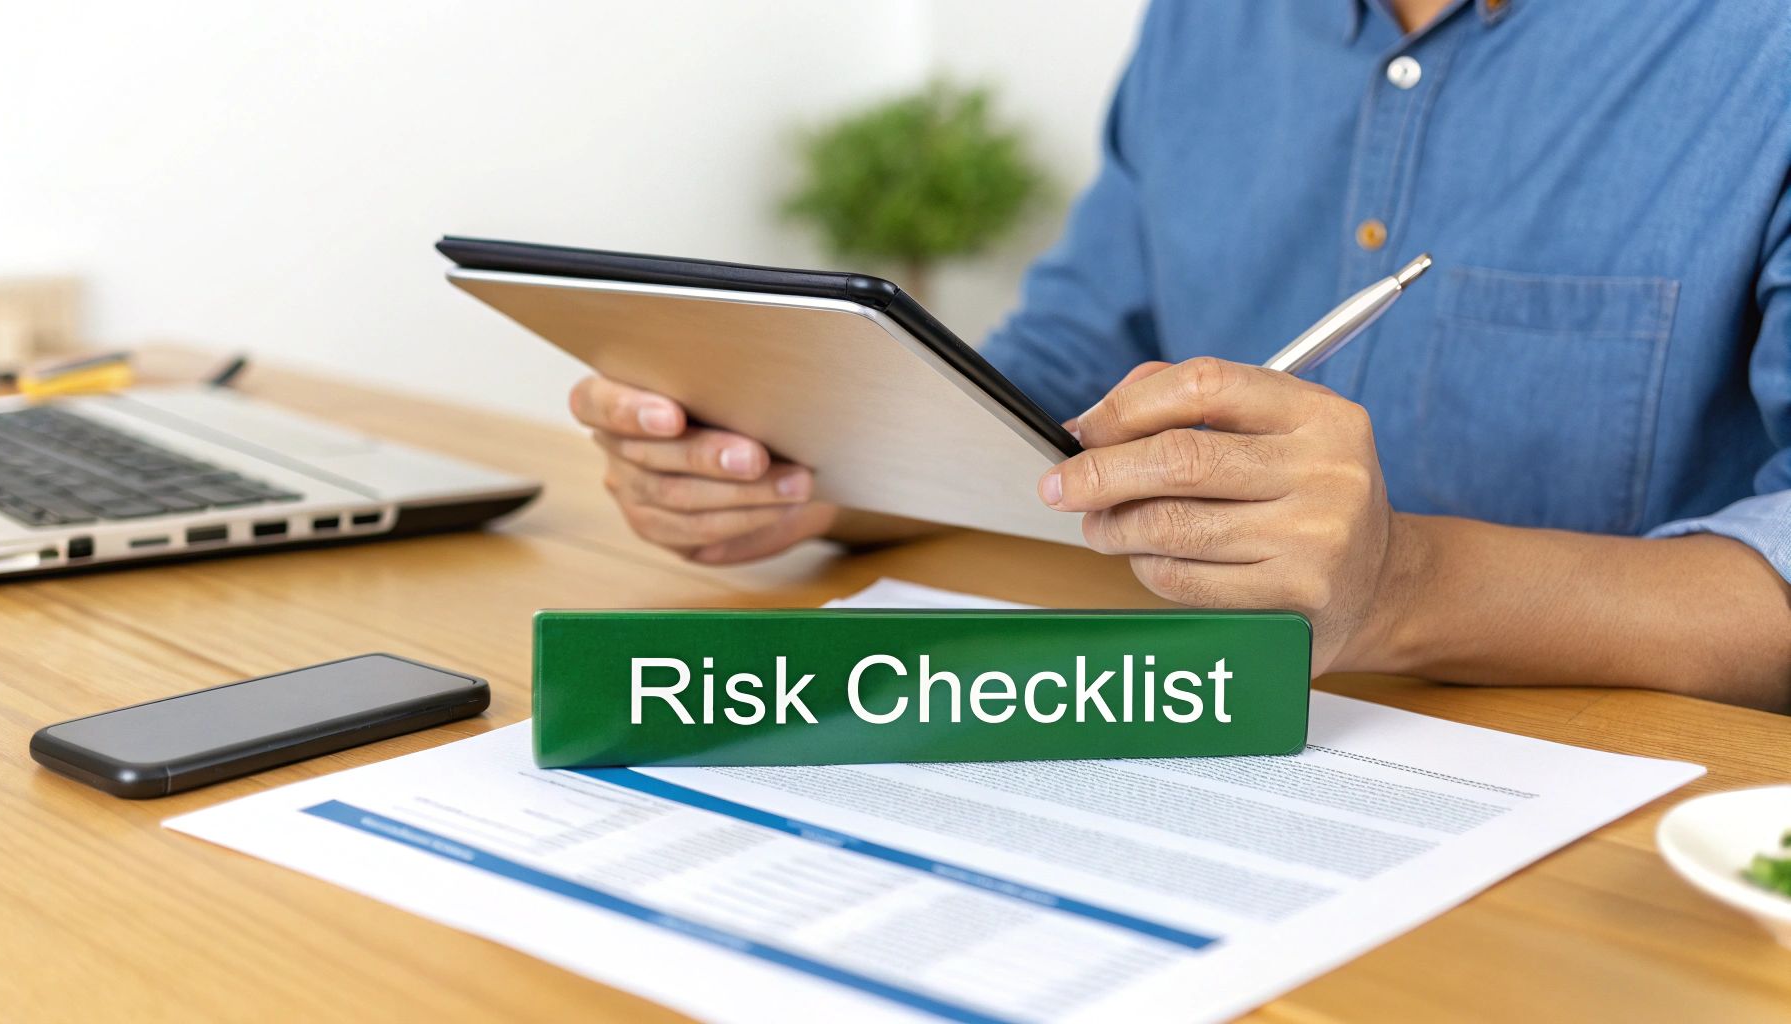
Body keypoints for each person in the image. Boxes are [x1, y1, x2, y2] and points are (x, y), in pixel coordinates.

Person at [571, 0, 1791, 711]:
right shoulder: (1203, 22)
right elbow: (1069, 362)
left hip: (1613, 815)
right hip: (1194, 718)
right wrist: (818, 470)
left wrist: (1398, 582)